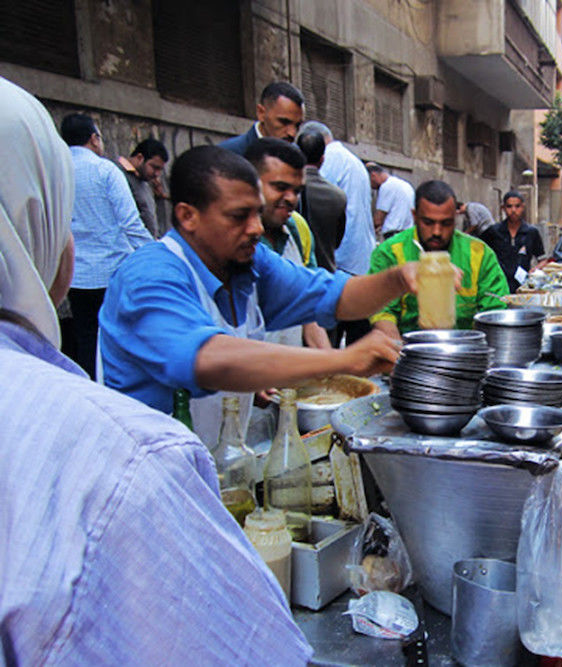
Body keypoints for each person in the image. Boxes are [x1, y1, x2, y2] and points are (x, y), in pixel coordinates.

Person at [0, 77, 312, 665]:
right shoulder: (123, 457)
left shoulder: (254, 259)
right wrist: (345, 359)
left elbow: (313, 295)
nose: (256, 225)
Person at [98, 145, 422, 447]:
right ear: (188, 217)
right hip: (146, 466)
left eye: (257, 213)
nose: (256, 228)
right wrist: (345, 360)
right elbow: (208, 360)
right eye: (239, 216)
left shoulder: (250, 265)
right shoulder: (148, 275)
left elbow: (335, 296)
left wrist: (399, 278)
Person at [61, 112, 153, 379]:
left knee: (86, 338)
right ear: (94, 138)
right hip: (112, 271)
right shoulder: (105, 170)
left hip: (76, 275)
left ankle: (91, 386)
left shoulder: (57, 172)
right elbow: (130, 222)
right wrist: (153, 253)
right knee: (121, 335)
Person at [368, 180, 509, 339]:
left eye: (446, 223)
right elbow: (382, 312)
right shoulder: (390, 253)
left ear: (455, 218)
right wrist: (399, 349)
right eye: (428, 222)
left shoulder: (480, 254)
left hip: (466, 348)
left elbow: (495, 311)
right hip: (407, 347)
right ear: (415, 216)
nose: (437, 232)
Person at [245, 138, 331, 350]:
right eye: (280, 187)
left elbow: (308, 306)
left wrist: (334, 361)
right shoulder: (234, 243)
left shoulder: (297, 228)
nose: (291, 198)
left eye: (297, 191)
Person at [304, 120, 379, 346]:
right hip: (360, 261)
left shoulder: (330, 160)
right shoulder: (354, 161)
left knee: (332, 339)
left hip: (339, 264)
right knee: (357, 340)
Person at [296, 130, 347, 273]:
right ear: (322, 159)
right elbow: (337, 241)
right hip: (325, 272)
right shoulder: (338, 196)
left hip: (295, 273)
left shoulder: (287, 192)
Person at [483, 191, 547, 293]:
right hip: (498, 286)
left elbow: (542, 259)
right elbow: (480, 253)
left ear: (523, 207)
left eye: (517, 206)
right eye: (509, 206)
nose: (513, 210)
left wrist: (534, 271)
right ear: (503, 208)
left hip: (522, 287)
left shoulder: (531, 232)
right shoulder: (493, 232)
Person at [218, 81, 304, 155]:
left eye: (297, 125)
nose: (292, 133)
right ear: (261, 113)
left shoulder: (298, 155)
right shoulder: (228, 153)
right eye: (284, 122)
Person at [115, 137, 169, 238]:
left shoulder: (143, 179)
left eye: (160, 170)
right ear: (140, 158)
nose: (157, 174)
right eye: (154, 167)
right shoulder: (117, 175)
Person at [366, 162, 415, 238]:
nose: (371, 186)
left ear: (373, 175)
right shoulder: (404, 184)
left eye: (369, 182)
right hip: (407, 233)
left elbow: (378, 219)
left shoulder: (386, 186)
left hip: (392, 234)